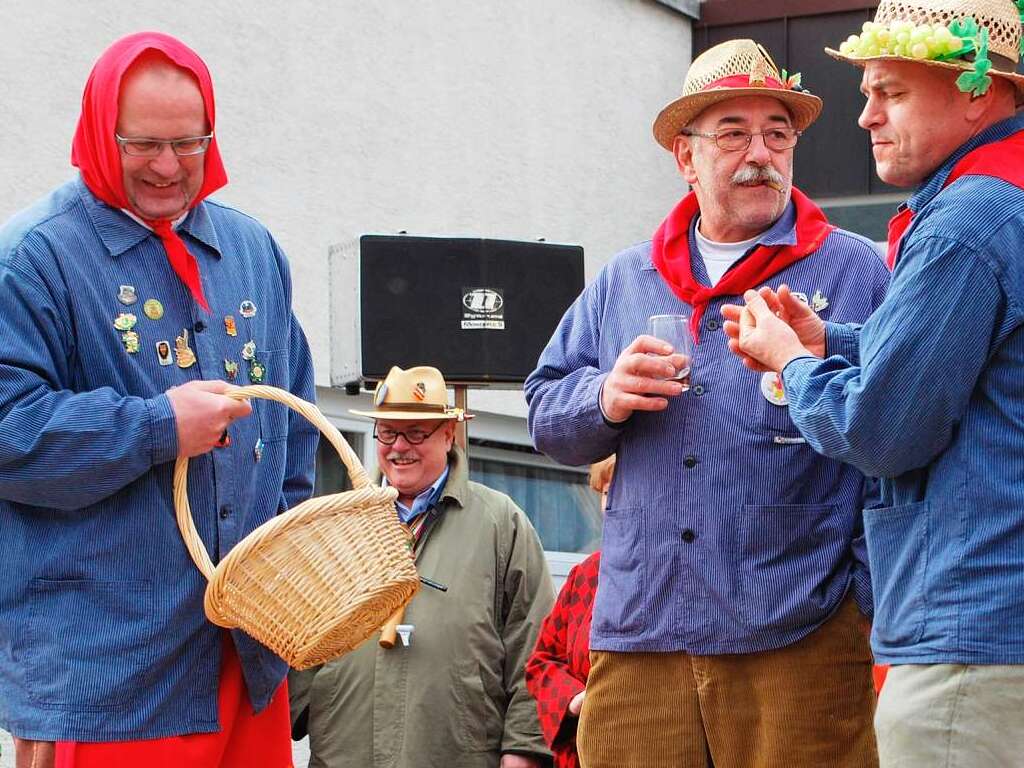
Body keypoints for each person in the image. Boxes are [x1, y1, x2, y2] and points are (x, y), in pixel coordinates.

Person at [524, 38, 889, 768]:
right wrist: (606, 396)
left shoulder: (858, 270)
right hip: (642, 635)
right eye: (732, 133)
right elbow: (543, 412)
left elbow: (897, 433)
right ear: (685, 159)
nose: (761, 153)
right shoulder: (625, 278)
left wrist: (857, 596)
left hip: (799, 636)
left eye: (777, 134)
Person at [0, 32, 317, 768]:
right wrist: (158, 427)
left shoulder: (253, 250)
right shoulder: (34, 257)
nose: (170, 167)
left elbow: (294, 424)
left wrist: (285, 564)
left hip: (246, 656)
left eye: (189, 142)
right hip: (108, 673)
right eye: (144, 144)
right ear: (100, 134)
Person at [724, 2, 1024, 765]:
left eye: (889, 91)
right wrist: (836, 339)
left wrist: (793, 365)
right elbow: (980, 365)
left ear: (976, 91)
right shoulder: (1000, 204)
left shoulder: (967, 220)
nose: (865, 117)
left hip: (972, 637)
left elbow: (881, 433)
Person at [289, 365, 553, 768]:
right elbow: (298, 629)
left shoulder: (500, 522)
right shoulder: (339, 524)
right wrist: (314, 704)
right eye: (388, 432)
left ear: (449, 435)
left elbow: (535, 644)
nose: (399, 447)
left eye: (416, 433)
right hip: (345, 752)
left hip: (457, 754)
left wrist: (524, 749)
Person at [524, 456, 614, 768]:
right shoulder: (587, 574)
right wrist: (574, 699)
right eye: (606, 491)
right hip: (579, 756)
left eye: (628, 489)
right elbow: (541, 662)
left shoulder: (681, 574)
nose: (613, 502)